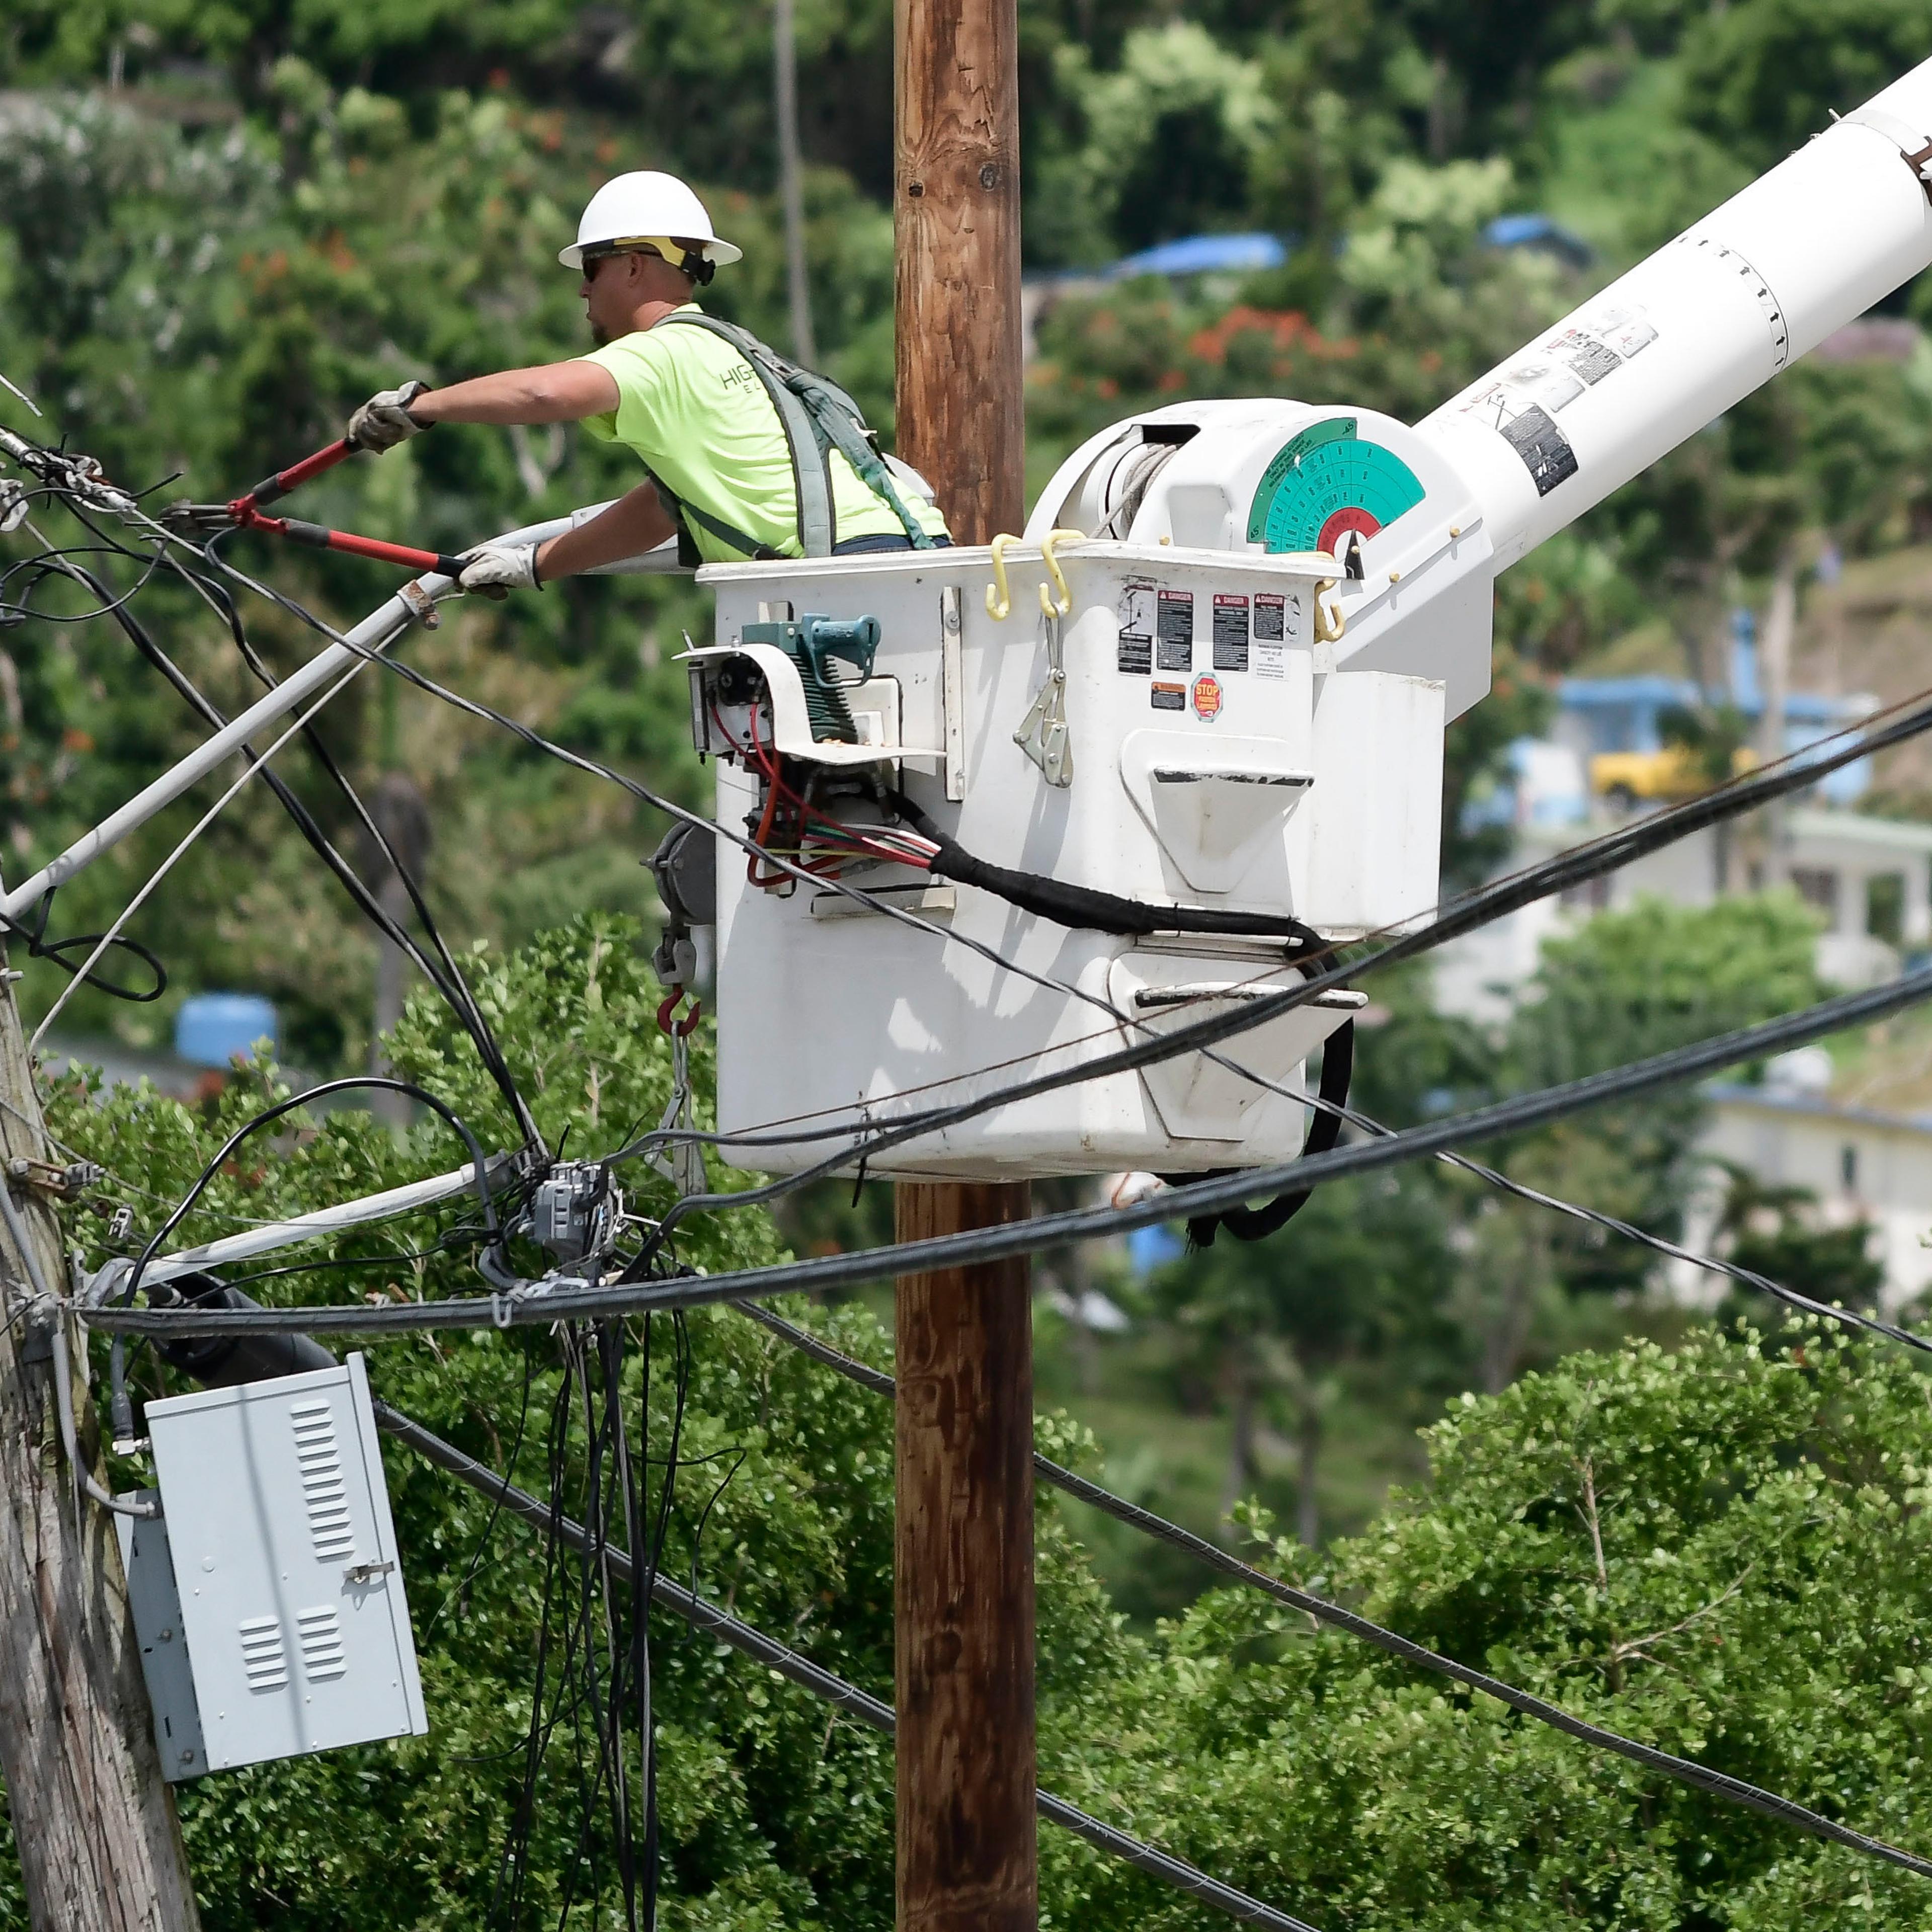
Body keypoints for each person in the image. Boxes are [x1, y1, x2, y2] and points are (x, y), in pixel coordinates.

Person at [346, 171, 949, 594]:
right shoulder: (728, 349)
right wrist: (533, 565)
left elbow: (543, 394)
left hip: (848, 574)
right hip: (907, 564)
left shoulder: (663, 355)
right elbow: (663, 510)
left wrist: (422, 407)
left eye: (592, 269)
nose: (583, 289)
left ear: (633, 266)